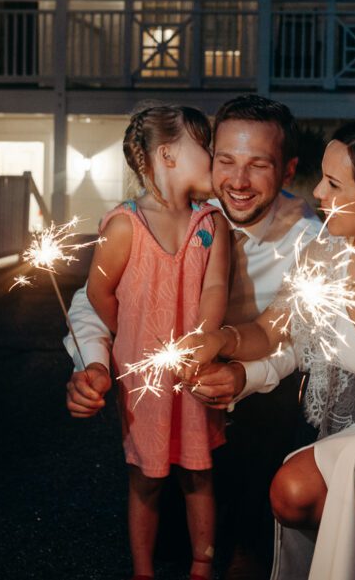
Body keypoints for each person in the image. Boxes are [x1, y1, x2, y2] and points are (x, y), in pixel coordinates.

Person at [65, 94, 322, 579]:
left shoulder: (309, 237)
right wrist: (93, 362)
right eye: (224, 159)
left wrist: (244, 374)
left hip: (255, 391)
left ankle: (250, 538)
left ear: (287, 171)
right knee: (164, 528)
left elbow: (300, 338)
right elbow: (96, 297)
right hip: (166, 381)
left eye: (258, 166)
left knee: (242, 525)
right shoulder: (174, 215)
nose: (238, 181)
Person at [187, 116, 355, 579]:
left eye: (333, 183)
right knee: (292, 491)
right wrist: (220, 340)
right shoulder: (326, 256)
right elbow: (271, 330)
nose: (317, 193)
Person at [82, 104, 231, 580]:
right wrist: (130, 339)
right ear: (167, 154)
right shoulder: (125, 226)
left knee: (199, 471)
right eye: (204, 145)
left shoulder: (212, 223)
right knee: (145, 477)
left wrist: (200, 342)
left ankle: (201, 567)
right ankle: (143, 570)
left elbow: (215, 289)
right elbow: (97, 292)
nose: (213, 155)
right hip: (143, 376)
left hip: (194, 369)